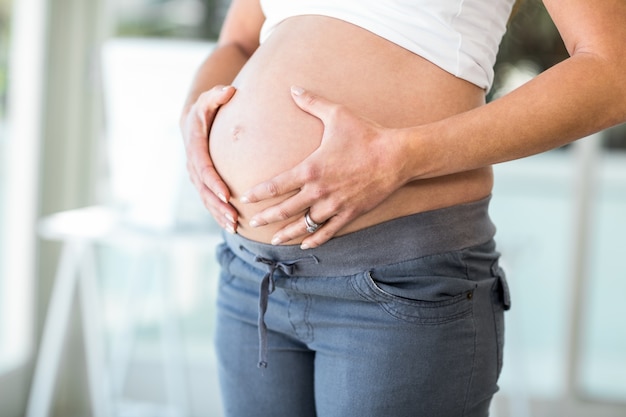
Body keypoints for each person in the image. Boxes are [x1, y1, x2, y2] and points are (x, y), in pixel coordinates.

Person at [179, 0, 626, 416]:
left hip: (398, 284)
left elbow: (614, 71)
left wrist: (401, 156)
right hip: (251, 278)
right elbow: (237, 43)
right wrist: (192, 123)